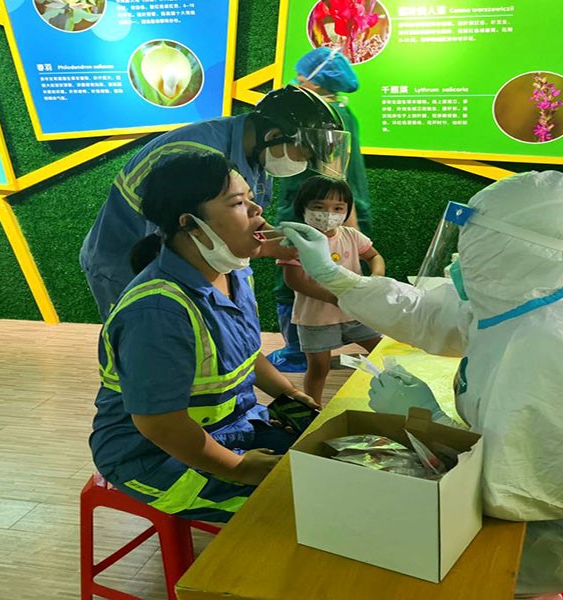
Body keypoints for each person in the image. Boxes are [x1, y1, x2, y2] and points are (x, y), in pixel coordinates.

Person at [279, 171, 563, 598]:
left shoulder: (549, 346)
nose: (459, 259)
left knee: (399, 561)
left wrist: (428, 421)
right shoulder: (543, 286)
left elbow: (514, 488)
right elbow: (428, 313)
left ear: (501, 248)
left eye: (472, 243)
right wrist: (336, 277)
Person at [89, 152, 318, 521]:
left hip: (231, 427)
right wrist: (239, 468)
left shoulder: (234, 272)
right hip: (155, 456)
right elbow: (160, 425)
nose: (257, 210)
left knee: (329, 465)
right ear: (191, 225)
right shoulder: (158, 312)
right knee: (306, 511)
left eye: (251, 198)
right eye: (238, 203)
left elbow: (246, 353)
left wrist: (288, 395)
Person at [80, 85, 350, 321]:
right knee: (153, 340)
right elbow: (179, 245)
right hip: (130, 263)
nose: (302, 164)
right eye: (304, 155)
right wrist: (265, 248)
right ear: (273, 136)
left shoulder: (255, 153)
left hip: (186, 263)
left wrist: (278, 239)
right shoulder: (194, 158)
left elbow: (239, 222)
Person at [268, 47, 372, 373]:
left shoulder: (322, 117)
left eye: (301, 78)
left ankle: (298, 352)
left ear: (317, 82)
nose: (297, 83)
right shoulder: (343, 110)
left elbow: (333, 172)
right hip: (332, 208)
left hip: (313, 209)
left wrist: (343, 221)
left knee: (295, 279)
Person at [278, 175, 384, 404]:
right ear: (303, 208)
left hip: (356, 313)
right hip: (315, 318)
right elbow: (294, 281)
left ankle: (386, 397)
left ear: (346, 210)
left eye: (338, 208)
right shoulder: (297, 242)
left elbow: (374, 256)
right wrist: (334, 297)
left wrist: (375, 278)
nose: (328, 214)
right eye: (319, 207)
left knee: (381, 351)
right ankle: (313, 408)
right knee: (319, 367)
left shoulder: (351, 235)